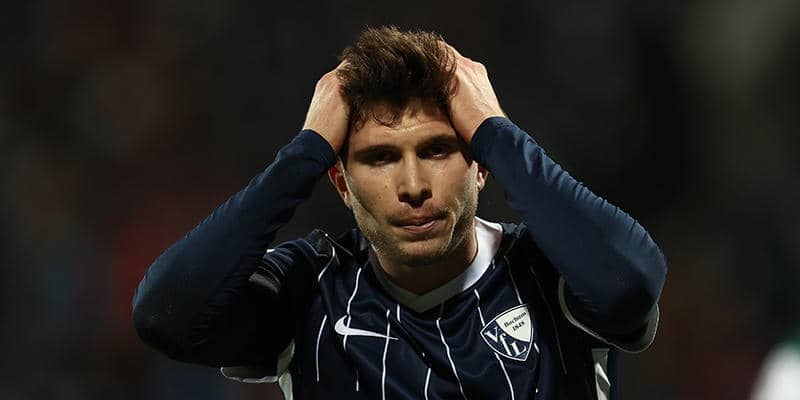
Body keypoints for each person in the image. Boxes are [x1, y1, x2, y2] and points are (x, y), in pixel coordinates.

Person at [132, 26, 667, 400]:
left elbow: (630, 285)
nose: (413, 186)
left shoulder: (552, 271)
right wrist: (305, 153)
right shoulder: (310, 289)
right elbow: (166, 316)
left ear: (482, 166)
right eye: (381, 158)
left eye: (437, 150)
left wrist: (496, 132)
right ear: (341, 183)